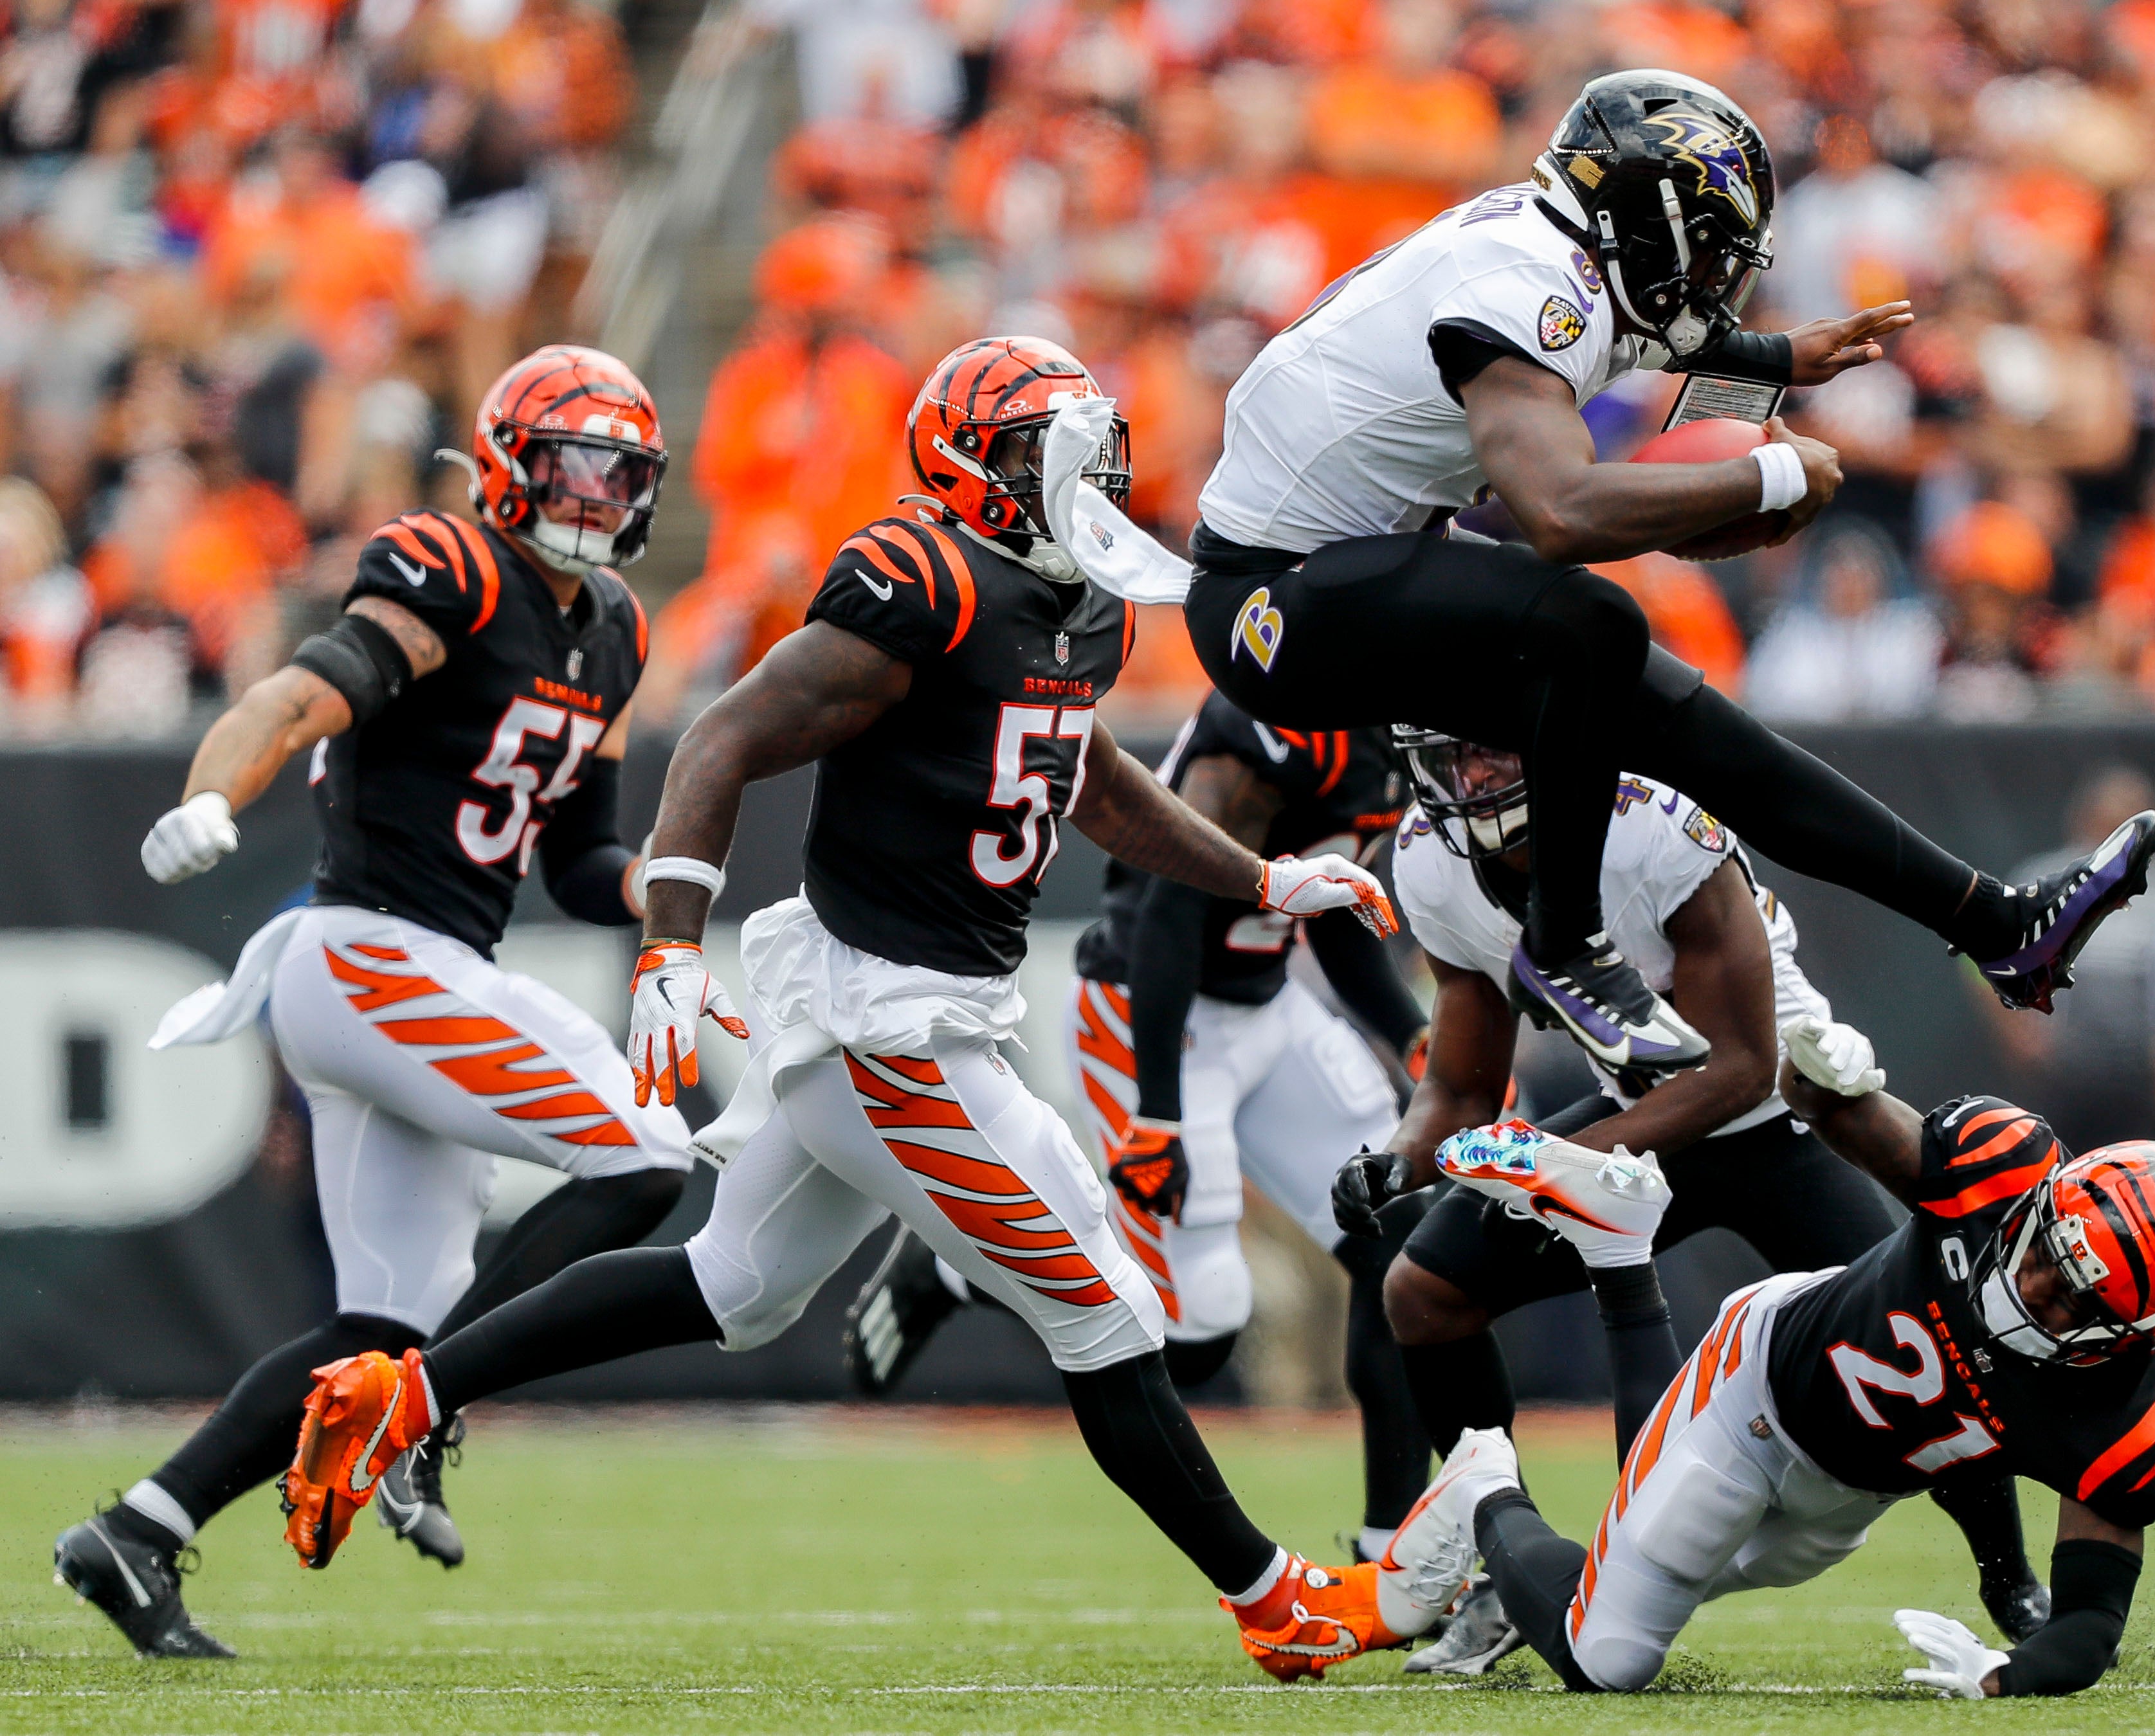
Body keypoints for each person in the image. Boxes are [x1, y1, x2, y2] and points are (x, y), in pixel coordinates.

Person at [281, 337, 1425, 1683]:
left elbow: (1084, 770)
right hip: (895, 1030)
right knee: (1111, 1310)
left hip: (916, 1016)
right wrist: (668, 948)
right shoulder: (922, 583)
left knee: (735, 1285)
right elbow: (723, 742)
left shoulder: (1083, 611)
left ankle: (399, 1392)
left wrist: (1262, 876)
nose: (1076, 474)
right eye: (1034, 448)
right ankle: (1271, 1600)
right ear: (967, 465)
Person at [1184, 68, 2155, 1086]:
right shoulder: (1527, 289)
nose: (1714, 268)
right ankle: (1564, 949)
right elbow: (1561, 514)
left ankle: (1996, 925)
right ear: (1640, 216)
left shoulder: (1565, 250)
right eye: (1703, 236)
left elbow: (1666, 330)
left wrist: (1778, 359)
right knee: (1592, 621)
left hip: (1350, 565)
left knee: (1679, 714)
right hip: (1268, 598)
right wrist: (1768, 470)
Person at [53, 347, 693, 1658]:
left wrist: (669, 895)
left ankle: (141, 1531)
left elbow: (576, 860)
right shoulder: (451, 568)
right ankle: (428, 1417)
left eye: (620, 468)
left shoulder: (618, 628)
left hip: (424, 966)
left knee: (384, 1326)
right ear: (511, 462)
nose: (598, 489)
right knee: (643, 1152)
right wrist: (209, 796)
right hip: (369, 956)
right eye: (575, 460)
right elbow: (296, 694)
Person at [1336, 732, 2044, 1674]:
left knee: (1927, 1334)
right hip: (1641, 1114)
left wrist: (1565, 1162)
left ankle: (2010, 1578)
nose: (1478, 777)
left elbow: (1739, 1063)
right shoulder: (1429, 862)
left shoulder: (1649, 827)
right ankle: (1495, 1575)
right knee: (1422, 1293)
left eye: (1497, 748)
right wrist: (1399, 1160)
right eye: (1452, 757)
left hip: (1784, 1112)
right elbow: (1463, 1085)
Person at [1368, 1011, 2155, 1698]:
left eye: (2076, 1299)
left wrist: (2007, 1675)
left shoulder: (2145, 1413)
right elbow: (1824, 1106)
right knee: (1608, 1656)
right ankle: (1503, 1448)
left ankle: (1525, 1562)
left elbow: (2090, 1622)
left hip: (1841, 1506)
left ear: (2141, 1332)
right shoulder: (1997, 1172)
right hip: (1760, 1391)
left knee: (1623, 1568)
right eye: (2050, 1249)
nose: (2038, 1284)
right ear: (2047, 1199)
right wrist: (1825, 1075)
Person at [842, 705, 1432, 1567]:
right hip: (1150, 1009)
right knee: (1196, 1336)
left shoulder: (1390, 734)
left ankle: (1400, 1551)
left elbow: (1333, 913)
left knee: (1401, 1238)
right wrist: (1159, 1114)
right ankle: (957, 1272)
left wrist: (1415, 1043)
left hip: (1266, 1005)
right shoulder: (1281, 723)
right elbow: (1166, 911)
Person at [1987, 764, 2155, 1153]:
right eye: (2106, 823)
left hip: (2144, 1073)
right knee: (2052, 1168)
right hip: (2061, 1069)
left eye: (2127, 825)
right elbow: (1980, 955)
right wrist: (2017, 1032)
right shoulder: (2042, 880)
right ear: (2083, 820)